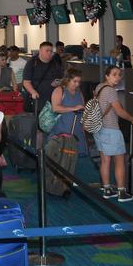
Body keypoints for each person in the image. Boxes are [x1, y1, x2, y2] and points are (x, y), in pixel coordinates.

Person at [93, 66, 133, 202]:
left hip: (98, 128)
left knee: (105, 160)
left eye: (119, 75)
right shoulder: (111, 91)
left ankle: (107, 189)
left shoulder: (99, 87)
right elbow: (119, 111)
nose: (118, 77)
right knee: (119, 161)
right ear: (107, 76)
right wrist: (132, 119)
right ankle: (121, 192)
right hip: (111, 129)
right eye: (114, 74)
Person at [45, 67, 86, 196]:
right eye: (74, 81)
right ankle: (53, 184)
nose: (77, 84)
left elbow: (83, 111)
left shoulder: (79, 93)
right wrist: (73, 108)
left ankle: (65, 184)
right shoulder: (59, 90)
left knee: (71, 159)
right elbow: (56, 108)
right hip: (61, 130)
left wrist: (84, 128)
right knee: (58, 158)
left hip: (76, 130)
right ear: (67, 80)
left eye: (79, 82)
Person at [22, 41, 64, 114]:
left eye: (51, 51)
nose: (49, 53)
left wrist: (58, 83)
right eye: (47, 51)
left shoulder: (55, 63)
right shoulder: (32, 63)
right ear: (40, 51)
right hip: (38, 98)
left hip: (52, 98)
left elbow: (61, 78)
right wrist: (33, 92)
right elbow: (26, 82)